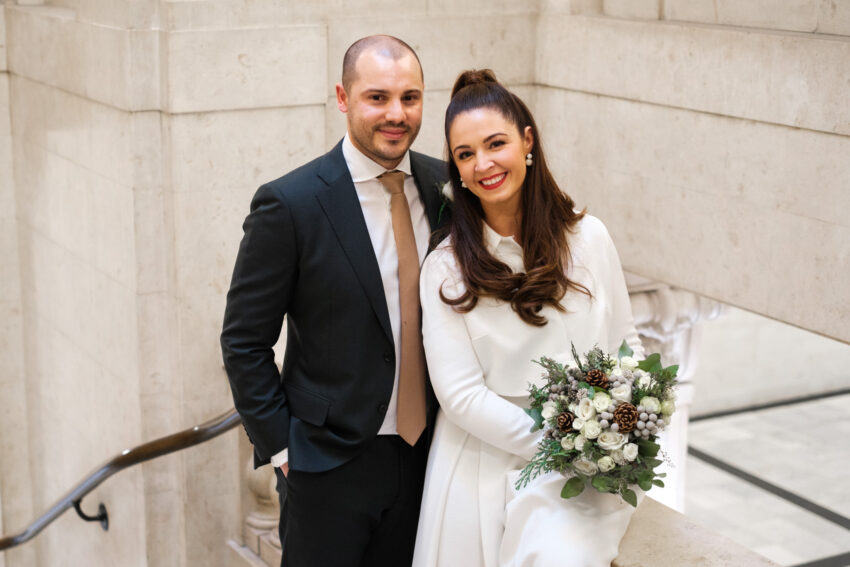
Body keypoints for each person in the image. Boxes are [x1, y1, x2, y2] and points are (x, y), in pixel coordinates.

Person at [221, 35, 449, 567]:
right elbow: (244, 339)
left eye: (410, 98)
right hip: (326, 465)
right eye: (378, 97)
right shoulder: (290, 203)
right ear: (343, 98)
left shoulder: (448, 187)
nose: (397, 114)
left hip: (431, 458)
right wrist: (282, 449)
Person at [412, 69, 645, 567]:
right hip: (482, 461)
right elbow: (460, 395)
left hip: (591, 461)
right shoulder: (445, 269)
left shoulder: (591, 238)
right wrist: (562, 443)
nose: (484, 164)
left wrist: (617, 431)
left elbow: (627, 342)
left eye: (495, 143)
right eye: (465, 154)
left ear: (527, 141)